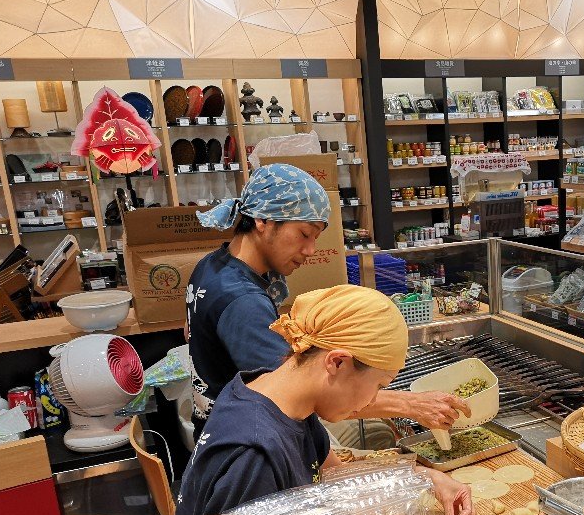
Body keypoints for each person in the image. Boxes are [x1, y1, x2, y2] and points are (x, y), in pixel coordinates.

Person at [187, 163, 469, 446]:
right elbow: (292, 392)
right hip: (243, 442)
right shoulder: (243, 300)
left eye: (316, 237)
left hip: (219, 427)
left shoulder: (212, 267)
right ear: (262, 220)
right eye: (304, 234)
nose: (310, 250)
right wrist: (410, 404)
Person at [176, 284, 475, 515]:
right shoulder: (256, 454)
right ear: (337, 362)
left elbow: (335, 476)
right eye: (379, 386)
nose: (373, 401)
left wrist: (423, 479)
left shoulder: (284, 401)